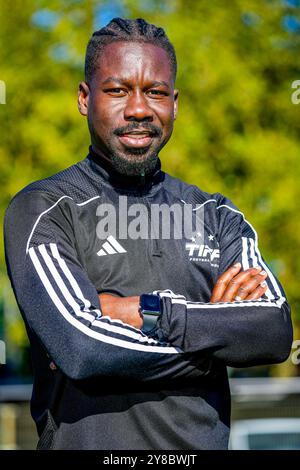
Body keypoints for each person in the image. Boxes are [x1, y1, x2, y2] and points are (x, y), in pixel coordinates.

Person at [4, 17, 293, 450]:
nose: (139, 109)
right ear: (85, 99)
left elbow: (272, 331)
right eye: (118, 90)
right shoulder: (45, 209)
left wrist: (146, 312)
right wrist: (217, 338)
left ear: (174, 104)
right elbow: (83, 349)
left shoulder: (216, 215)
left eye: (155, 92)